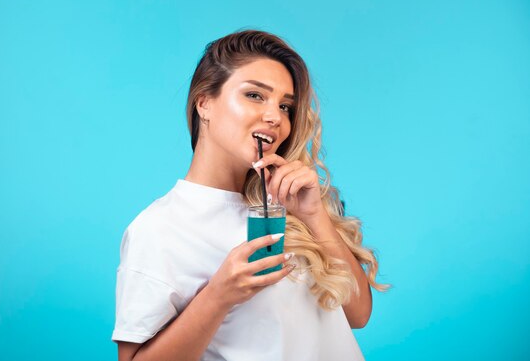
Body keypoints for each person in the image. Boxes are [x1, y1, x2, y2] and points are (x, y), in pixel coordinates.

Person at [112, 30, 388, 361]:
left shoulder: (288, 202)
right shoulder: (159, 229)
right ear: (204, 103)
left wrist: (315, 217)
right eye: (255, 95)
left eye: (286, 105)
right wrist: (219, 296)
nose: (276, 117)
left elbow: (358, 315)